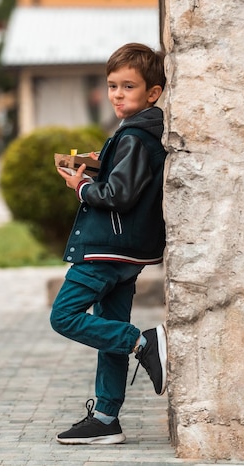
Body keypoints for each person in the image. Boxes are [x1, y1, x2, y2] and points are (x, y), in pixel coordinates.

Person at [50, 43, 167, 445]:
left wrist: (82, 185)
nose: (117, 94)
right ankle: (105, 417)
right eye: (112, 85)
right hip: (126, 253)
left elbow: (119, 195)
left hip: (107, 249)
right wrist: (101, 163)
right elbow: (126, 182)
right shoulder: (139, 133)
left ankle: (143, 342)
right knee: (110, 327)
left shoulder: (135, 135)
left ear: (152, 93)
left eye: (128, 86)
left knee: (64, 316)